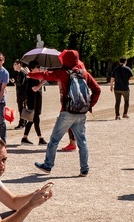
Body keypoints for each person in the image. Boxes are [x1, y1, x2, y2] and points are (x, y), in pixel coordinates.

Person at [30, 49, 101, 177]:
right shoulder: (84, 73)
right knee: (82, 141)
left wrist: (30, 74)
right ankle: (84, 169)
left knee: (54, 140)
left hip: (67, 112)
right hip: (81, 113)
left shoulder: (64, 73)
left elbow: (46, 75)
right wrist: (89, 105)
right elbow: (97, 89)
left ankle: (48, 165)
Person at [21, 60, 47, 145]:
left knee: (32, 119)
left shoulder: (34, 77)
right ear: (32, 68)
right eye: (37, 67)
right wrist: (42, 83)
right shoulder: (31, 78)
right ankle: (40, 138)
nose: (39, 68)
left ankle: (25, 137)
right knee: (35, 119)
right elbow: (34, 89)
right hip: (33, 101)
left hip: (36, 100)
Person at [12, 59, 28, 130]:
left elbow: (21, 83)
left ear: (19, 64)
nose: (13, 66)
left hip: (22, 94)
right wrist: (15, 82)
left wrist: (16, 82)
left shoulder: (22, 72)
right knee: (22, 109)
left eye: (15, 64)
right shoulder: (20, 72)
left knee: (22, 109)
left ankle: (22, 124)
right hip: (21, 93)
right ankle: (24, 122)